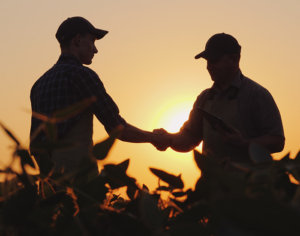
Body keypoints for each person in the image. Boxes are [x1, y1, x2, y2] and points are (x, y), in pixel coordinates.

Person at [30, 16, 170, 174]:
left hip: (48, 187)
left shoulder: (38, 84)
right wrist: (156, 138)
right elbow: (117, 128)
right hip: (79, 183)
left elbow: (35, 146)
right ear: (78, 40)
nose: (95, 50)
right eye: (93, 41)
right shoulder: (82, 75)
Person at [154, 33, 285, 164]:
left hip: (250, 183)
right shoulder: (204, 98)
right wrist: (168, 139)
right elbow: (189, 139)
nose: (208, 66)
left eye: (214, 61)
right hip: (212, 183)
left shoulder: (257, 95)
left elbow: (278, 142)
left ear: (234, 60)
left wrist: (244, 143)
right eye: (207, 61)